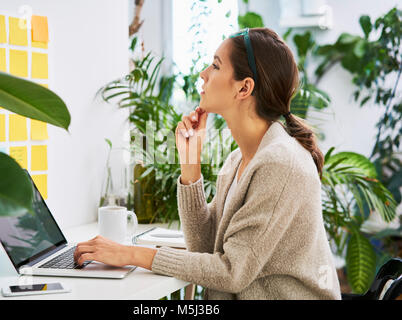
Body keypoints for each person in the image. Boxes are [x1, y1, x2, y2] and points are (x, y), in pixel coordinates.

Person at [74, 27, 341, 300]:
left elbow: (231, 271)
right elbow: (205, 248)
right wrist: (190, 165)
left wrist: (129, 254)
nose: (203, 73)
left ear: (244, 87)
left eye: (215, 65)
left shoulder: (280, 163)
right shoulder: (239, 159)